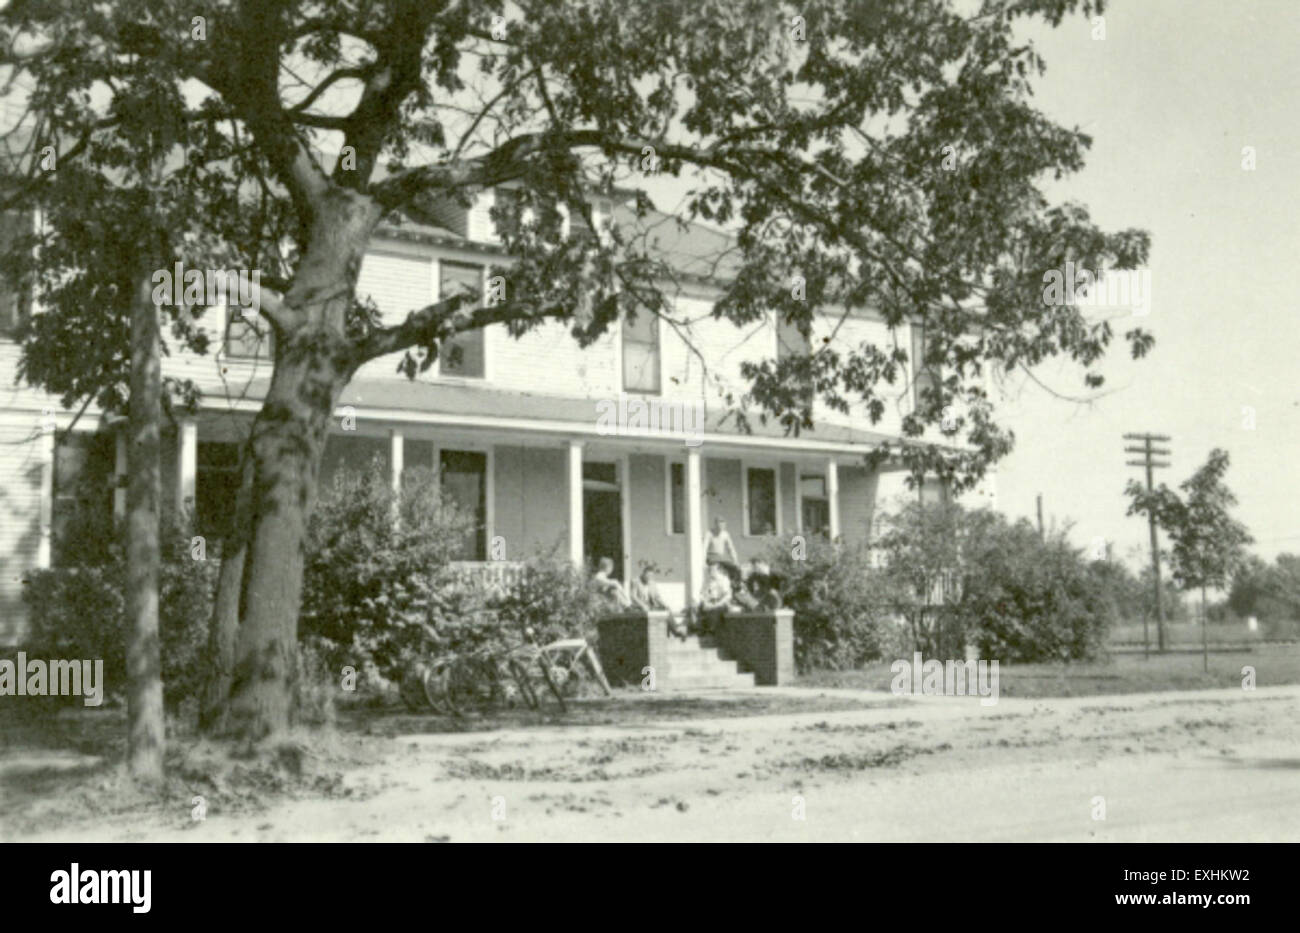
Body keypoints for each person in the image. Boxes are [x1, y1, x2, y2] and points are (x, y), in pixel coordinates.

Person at [630, 566, 687, 639]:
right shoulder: (635, 581)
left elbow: (657, 597)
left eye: (651, 576)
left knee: (666, 610)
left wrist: (664, 604)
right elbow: (633, 597)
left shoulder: (652, 583)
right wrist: (642, 605)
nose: (649, 578)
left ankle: (676, 631)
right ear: (643, 573)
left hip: (651, 606)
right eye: (647, 575)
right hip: (639, 607)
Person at [697, 561, 734, 636]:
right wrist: (705, 602)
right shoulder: (707, 581)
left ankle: (711, 632)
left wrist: (716, 604)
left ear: (718, 570)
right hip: (709, 602)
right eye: (709, 569)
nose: (710, 571)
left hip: (721, 603)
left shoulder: (724, 580)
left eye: (713, 569)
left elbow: (727, 596)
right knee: (696, 608)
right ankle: (702, 631)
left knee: (715, 611)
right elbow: (702, 594)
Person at [704, 517, 742, 588]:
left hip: (721, 557)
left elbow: (731, 548)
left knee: (736, 568)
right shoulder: (709, 533)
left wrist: (735, 560)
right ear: (715, 524)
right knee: (715, 576)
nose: (721, 526)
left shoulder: (725, 534)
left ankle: (735, 587)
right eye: (719, 524)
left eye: (722, 525)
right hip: (711, 557)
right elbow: (704, 548)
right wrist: (703, 562)